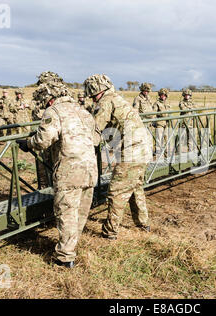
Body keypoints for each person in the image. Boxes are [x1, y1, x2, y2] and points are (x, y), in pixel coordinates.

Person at [17, 73, 98, 268]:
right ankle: (72, 244)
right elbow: (96, 139)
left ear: (49, 98)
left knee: (67, 212)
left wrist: (28, 143)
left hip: (70, 171)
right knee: (80, 212)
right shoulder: (84, 111)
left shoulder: (54, 112)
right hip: (90, 169)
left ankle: (65, 257)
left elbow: (44, 139)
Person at [84, 74, 152, 240]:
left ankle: (110, 232)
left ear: (97, 91)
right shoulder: (117, 98)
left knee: (116, 192)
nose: (92, 100)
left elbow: (95, 130)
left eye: (93, 96)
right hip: (144, 148)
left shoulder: (106, 101)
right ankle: (143, 224)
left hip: (132, 151)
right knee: (135, 187)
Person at [153, 88, 171, 157]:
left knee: (166, 138)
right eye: (161, 95)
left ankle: (166, 153)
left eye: (164, 95)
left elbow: (170, 112)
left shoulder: (167, 103)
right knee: (159, 139)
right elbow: (154, 113)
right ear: (159, 95)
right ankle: (158, 154)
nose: (163, 96)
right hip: (159, 123)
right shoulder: (156, 103)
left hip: (166, 123)